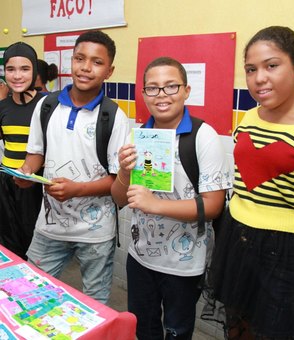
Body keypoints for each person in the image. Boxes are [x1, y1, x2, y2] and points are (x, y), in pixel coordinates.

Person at [111, 56, 232, 340]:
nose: (161, 95)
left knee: (177, 331)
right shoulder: (140, 135)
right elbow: (119, 199)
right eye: (152, 88)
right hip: (140, 258)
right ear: (143, 94)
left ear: (186, 91)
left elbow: (213, 206)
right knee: (144, 329)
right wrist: (124, 171)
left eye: (171, 87)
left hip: (184, 263)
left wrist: (156, 204)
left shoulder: (203, 136)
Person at [15, 30, 129, 304]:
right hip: (49, 225)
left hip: (96, 232)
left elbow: (116, 182)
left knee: (95, 303)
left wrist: (77, 189)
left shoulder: (114, 116)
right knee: (28, 293)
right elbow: (35, 157)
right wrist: (25, 174)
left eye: (96, 62)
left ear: (109, 71)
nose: (86, 67)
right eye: (79, 58)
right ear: (71, 61)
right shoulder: (46, 105)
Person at [204, 26, 294, 340]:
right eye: (250, 69)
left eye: (272, 66)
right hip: (237, 235)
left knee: (273, 332)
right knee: (237, 324)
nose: (259, 78)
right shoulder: (248, 117)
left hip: (287, 247)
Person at [0, 42, 44, 260]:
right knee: (8, 244)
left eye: (24, 69)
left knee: (35, 249)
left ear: (34, 70)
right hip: (6, 184)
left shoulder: (48, 104)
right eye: (11, 69)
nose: (17, 76)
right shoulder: (2, 107)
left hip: (35, 185)